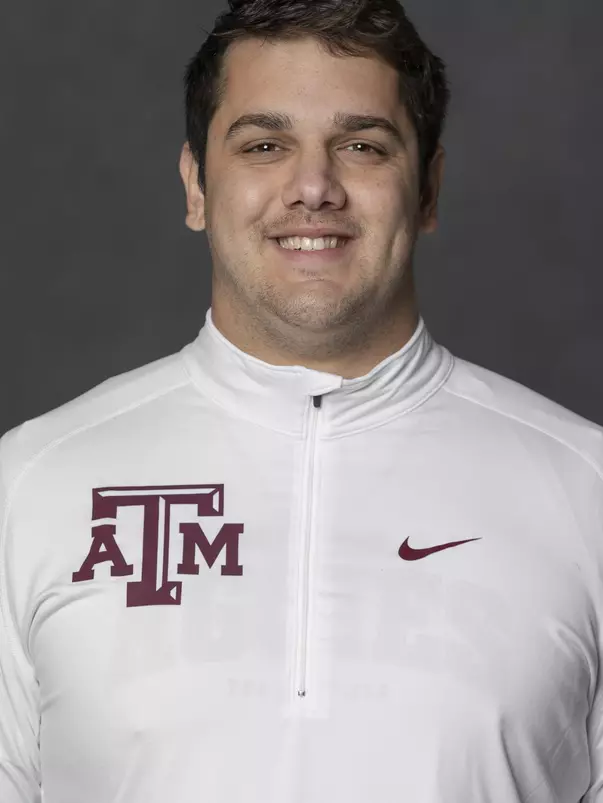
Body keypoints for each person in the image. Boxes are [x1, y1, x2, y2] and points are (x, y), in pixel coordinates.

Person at [1, 0, 602, 800]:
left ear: (427, 189)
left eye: (361, 146)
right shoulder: (30, 484)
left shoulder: (585, 489)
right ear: (196, 185)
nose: (313, 188)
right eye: (264, 145)